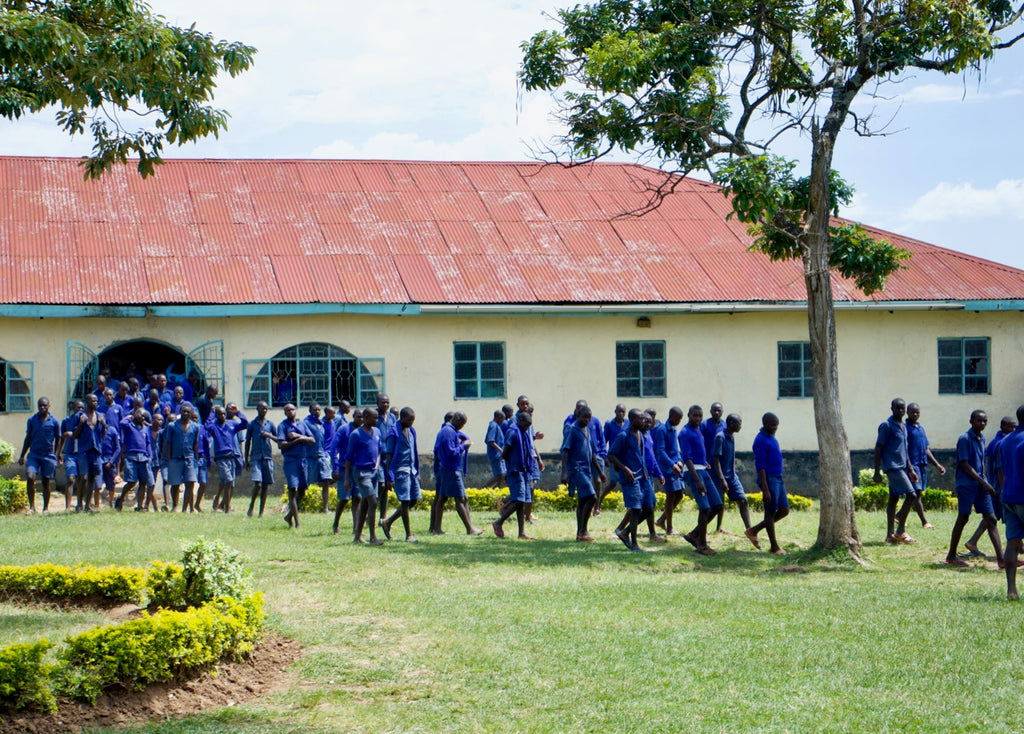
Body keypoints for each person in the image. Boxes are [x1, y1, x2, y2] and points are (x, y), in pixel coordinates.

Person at [945, 410, 1005, 567]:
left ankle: (1001, 560)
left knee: (991, 519)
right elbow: (964, 464)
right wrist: (983, 482)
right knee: (963, 517)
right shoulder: (965, 439)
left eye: (985, 421)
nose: (982, 424)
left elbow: (980, 463)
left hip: (980, 484)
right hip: (967, 484)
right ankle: (951, 555)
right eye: (979, 421)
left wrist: (984, 481)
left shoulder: (982, 438)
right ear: (971, 421)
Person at [964, 414, 1017, 555]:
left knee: (992, 517)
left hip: (993, 485)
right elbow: (1000, 469)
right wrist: (1003, 489)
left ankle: (973, 541)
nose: (1013, 429)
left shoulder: (995, 440)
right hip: (998, 487)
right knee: (1005, 517)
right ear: (1002, 427)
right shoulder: (1002, 443)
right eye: (1010, 426)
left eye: (1014, 427)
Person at [873, 398, 919, 545]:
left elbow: (904, 450)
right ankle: (900, 531)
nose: (900, 411)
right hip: (893, 467)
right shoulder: (886, 426)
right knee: (911, 494)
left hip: (903, 467)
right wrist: (877, 471)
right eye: (897, 408)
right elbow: (878, 448)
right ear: (891, 409)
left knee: (893, 499)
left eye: (902, 408)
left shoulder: (903, 426)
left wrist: (911, 469)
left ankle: (889, 535)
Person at [679, 405, 721, 556]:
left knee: (717, 505)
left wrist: (704, 462)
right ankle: (702, 545)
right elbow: (687, 458)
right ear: (688, 415)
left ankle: (694, 535)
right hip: (694, 472)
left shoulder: (698, 430)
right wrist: (697, 481)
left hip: (703, 469)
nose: (697, 419)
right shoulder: (684, 433)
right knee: (705, 508)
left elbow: (698, 452)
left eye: (699, 416)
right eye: (694, 416)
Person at [745, 412, 789, 554]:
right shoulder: (760, 441)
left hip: (778, 478)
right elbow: (761, 467)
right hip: (769, 479)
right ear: (765, 424)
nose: (775, 428)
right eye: (772, 425)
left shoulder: (771, 437)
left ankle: (754, 530)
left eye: (777, 425)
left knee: (784, 510)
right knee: (770, 512)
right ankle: (774, 547)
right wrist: (765, 489)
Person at [560, 404, 605, 541]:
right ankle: (583, 530)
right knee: (592, 497)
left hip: (587, 470)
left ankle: (580, 534)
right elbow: (565, 451)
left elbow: (592, 455)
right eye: (584, 417)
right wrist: (564, 472)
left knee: (582, 501)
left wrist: (600, 472)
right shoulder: (572, 430)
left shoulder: (588, 431)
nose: (586, 420)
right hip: (576, 469)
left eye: (589, 418)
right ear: (578, 416)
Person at [435, 412, 484, 536]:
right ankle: (470, 528)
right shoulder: (448, 432)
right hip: (450, 469)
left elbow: (464, 436)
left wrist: (463, 439)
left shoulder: (452, 430)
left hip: (449, 469)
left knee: (443, 498)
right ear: (456, 420)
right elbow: (451, 453)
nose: (462, 427)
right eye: (462, 423)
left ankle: (437, 528)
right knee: (460, 498)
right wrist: (463, 446)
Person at [607, 408, 647, 552]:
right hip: (630, 478)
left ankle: (624, 532)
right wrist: (625, 469)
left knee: (648, 507)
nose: (643, 421)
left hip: (642, 477)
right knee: (636, 509)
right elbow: (611, 455)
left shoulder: (640, 435)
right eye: (640, 419)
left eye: (643, 418)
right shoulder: (623, 435)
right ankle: (634, 543)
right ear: (631, 420)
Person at [345, 407, 384, 545]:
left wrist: (377, 464)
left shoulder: (377, 432)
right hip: (361, 472)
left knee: (366, 504)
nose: (376, 420)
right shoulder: (356, 435)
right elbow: (349, 458)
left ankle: (357, 535)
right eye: (374, 417)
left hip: (374, 472)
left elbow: (379, 451)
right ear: (366, 417)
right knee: (372, 501)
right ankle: (373, 536)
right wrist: (347, 478)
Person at [381, 407, 421, 542]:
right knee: (405, 501)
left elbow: (414, 451)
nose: (411, 423)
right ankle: (408, 534)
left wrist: (417, 471)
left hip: (411, 470)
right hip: (400, 470)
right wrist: (389, 476)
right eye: (409, 420)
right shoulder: (393, 432)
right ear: (402, 418)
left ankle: (388, 521)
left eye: (413, 420)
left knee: (414, 499)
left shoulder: (412, 431)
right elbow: (389, 455)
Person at [495, 411, 536, 540]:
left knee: (521, 502)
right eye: (525, 425)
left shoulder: (523, 432)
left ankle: (521, 533)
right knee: (518, 500)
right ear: (519, 421)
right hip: (515, 470)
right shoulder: (513, 432)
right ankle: (498, 522)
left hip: (523, 470)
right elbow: (505, 452)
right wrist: (509, 467)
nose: (527, 428)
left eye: (529, 426)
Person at [997, 405, 1024, 599]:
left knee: (1013, 543)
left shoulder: (1005, 441)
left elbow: (1001, 470)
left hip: (1009, 496)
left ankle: (1011, 590)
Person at [905, 402, 946, 530]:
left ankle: (899, 517)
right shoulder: (905, 428)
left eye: (917, 412)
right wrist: (909, 467)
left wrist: (937, 465)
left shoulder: (920, 428)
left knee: (915, 494)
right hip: (913, 464)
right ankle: (924, 522)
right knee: (916, 493)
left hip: (922, 464)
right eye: (913, 412)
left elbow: (926, 449)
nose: (915, 414)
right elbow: (904, 449)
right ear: (908, 412)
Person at [18, 397, 61, 513]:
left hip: (48, 455)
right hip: (34, 455)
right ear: (38, 407)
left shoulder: (55, 422)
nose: (43, 407)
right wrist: (22, 455)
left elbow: (59, 439)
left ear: (49, 406)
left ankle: (45, 508)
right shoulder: (32, 420)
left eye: (45, 405)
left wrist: (57, 455)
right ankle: (32, 507)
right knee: (30, 477)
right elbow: (28, 438)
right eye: (40, 406)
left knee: (46, 481)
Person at [712, 413, 753, 535]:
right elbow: (716, 459)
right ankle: (698, 532)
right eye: (739, 423)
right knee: (717, 506)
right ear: (731, 424)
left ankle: (750, 530)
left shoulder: (731, 436)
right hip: (721, 477)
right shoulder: (720, 437)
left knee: (743, 500)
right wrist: (722, 478)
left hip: (732, 476)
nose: (740, 426)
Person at [278, 403, 314, 529]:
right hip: (291, 460)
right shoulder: (282, 426)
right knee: (292, 489)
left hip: (303, 460)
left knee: (303, 490)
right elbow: (281, 444)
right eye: (287, 410)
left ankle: (289, 516)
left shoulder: (302, 424)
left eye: (292, 409)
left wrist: (298, 437)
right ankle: (297, 523)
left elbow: (312, 440)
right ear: (285, 412)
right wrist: (296, 442)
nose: (291, 412)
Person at [653, 406, 686, 536]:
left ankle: (662, 520)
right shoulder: (662, 430)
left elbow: (675, 449)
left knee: (679, 495)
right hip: (666, 468)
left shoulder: (674, 429)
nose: (679, 421)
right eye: (677, 419)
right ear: (671, 417)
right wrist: (672, 465)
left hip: (675, 466)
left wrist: (679, 460)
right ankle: (669, 528)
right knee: (671, 495)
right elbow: (661, 451)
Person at [72, 393, 105, 512]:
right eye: (93, 401)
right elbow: (75, 435)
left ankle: (87, 505)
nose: (95, 403)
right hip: (84, 450)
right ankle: (79, 503)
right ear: (87, 401)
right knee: (84, 477)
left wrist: (104, 425)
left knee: (92, 478)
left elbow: (102, 436)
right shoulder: (80, 416)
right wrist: (81, 423)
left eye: (96, 401)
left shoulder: (100, 416)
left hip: (95, 450)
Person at [331, 409, 362, 534]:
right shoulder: (344, 429)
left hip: (358, 469)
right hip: (344, 468)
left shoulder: (364, 431)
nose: (360, 419)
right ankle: (336, 524)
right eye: (358, 417)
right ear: (353, 416)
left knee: (357, 498)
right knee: (344, 498)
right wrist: (335, 467)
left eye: (362, 417)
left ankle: (356, 528)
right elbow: (334, 448)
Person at [115, 408, 153, 512]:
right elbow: (122, 423)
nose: (143, 418)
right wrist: (129, 417)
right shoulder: (129, 426)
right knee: (132, 481)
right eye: (141, 415)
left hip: (143, 457)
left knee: (143, 482)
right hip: (131, 456)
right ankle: (121, 498)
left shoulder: (145, 428)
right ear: (135, 414)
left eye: (144, 416)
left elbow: (148, 443)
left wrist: (150, 455)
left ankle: (139, 506)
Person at [244, 400, 277, 518]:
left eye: (265, 409)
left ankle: (261, 511)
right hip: (256, 457)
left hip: (267, 457)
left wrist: (269, 435)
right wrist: (246, 459)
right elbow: (248, 441)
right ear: (257, 409)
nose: (264, 410)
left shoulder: (270, 424)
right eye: (261, 408)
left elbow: (278, 439)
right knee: (257, 483)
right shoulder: (252, 424)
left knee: (265, 485)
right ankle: (251, 506)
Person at [164, 404, 200, 512]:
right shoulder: (172, 426)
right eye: (183, 411)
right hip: (175, 458)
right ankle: (175, 505)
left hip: (189, 457)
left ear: (190, 414)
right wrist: (169, 459)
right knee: (175, 484)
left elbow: (196, 444)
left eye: (188, 412)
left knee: (190, 482)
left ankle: (185, 508)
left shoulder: (195, 427)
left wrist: (196, 459)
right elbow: (168, 443)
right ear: (180, 412)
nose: (185, 413)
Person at [597, 403, 628, 515]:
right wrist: (604, 456)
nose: (620, 413)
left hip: (626, 458)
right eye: (619, 411)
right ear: (615, 411)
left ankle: (629, 506)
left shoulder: (628, 423)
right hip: (614, 458)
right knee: (613, 482)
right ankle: (599, 502)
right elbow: (603, 441)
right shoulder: (610, 424)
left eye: (623, 412)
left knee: (628, 482)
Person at [303, 403, 334, 513]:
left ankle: (325, 508)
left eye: (319, 410)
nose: (317, 411)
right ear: (310, 411)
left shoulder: (321, 424)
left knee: (326, 481)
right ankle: (296, 506)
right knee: (306, 483)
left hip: (322, 456)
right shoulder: (305, 423)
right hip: (310, 457)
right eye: (315, 410)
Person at [375, 393, 398, 523]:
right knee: (380, 485)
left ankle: (383, 518)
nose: (385, 405)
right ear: (377, 403)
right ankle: (369, 515)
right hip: (378, 456)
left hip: (389, 456)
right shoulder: (374, 417)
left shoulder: (392, 418)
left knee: (387, 488)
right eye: (383, 402)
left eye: (387, 402)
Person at [99, 414, 121, 508]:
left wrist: (111, 462)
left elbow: (118, 448)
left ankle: (111, 503)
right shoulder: (96, 431)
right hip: (98, 460)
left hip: (109, 461)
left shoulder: (112, 430)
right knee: (97, 484)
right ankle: (97, 504)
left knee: (111, 484)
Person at [482, 410, 507, 488]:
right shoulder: (493, 426)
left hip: (497, 454)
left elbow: (486, 440)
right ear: (499, 417)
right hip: (496, 455)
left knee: (502, 476)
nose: (503, 422)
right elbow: (490, 441)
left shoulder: (495, 426)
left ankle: (497, 493)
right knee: (500, 474)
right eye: (503, 419)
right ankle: (484, 488)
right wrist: (500, 450)